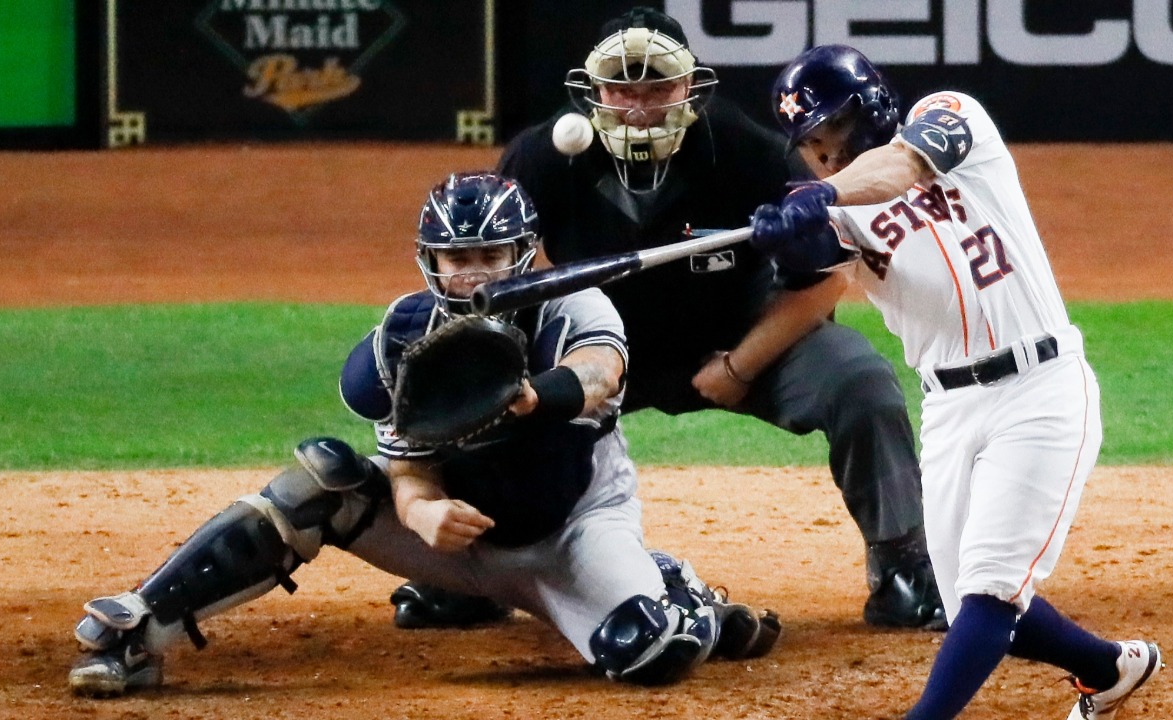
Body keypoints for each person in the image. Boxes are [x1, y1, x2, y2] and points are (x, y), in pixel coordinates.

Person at [66, 171, 781, 698]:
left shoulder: (572, 306)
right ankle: (140, 627)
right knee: (323, 481)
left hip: (572, 536)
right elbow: (407, 468)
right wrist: (422, 511)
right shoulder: (403, 339)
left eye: (491, 256)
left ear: (523, 254)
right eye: (457, 259)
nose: (472, 275)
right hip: (458, 543)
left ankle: (681, 595)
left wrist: (531, 395)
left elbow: (599, 373)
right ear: (430, 260)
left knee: (651, 652)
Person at [390, 5, 946, 634]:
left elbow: (825, 280)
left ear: (691, 87)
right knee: (488, 389)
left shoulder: (745, 152)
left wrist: (742, 365)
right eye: (621, 87)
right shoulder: (542, 159)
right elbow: (498, 278)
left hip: (733, 341)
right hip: (593, 354)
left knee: (858, 381)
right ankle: (470, 572)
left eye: (658, 86)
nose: (638, 105)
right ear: (592, 91)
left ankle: (903, 564)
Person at [748, 45, 1161, 719]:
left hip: (1040, 387)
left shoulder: (950, 117)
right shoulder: (841, 211)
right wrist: (787, 236)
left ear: (871, 108)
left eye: (834, 132)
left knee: (992, 592)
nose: (825, 155)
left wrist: (820, 194)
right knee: (973, 597)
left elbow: (898, 169)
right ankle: (1108, 667)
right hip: (948, 408)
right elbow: (812, 261)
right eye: (811, 146)